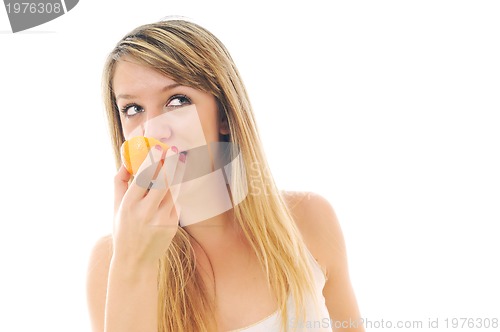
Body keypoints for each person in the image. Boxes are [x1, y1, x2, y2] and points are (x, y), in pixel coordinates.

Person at [86, 18, 365, 332]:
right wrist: (135, 262)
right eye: (133, 109)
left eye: (177, 101)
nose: (153, 130)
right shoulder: (110, 262)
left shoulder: (309, 219)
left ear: (223, 115)